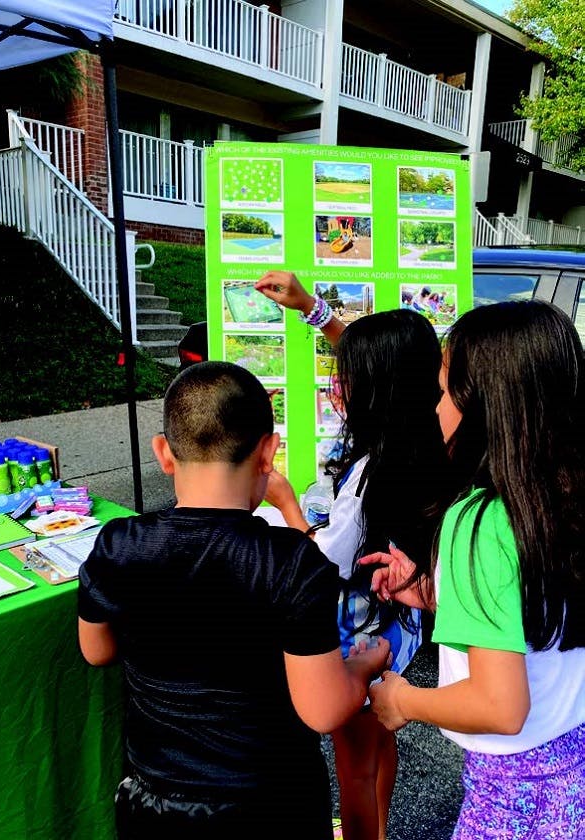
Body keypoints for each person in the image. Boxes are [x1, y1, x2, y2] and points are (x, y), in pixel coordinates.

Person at [77, 361, 390, 840]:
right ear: (268, 453)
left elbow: (96, 650)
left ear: (164, 453)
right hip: (269, 805)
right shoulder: (291, 561)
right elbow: (324, 711)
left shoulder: (120, 544)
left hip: (155, 803)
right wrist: (364, 668)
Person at [361, 300, 585, 839]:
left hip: (516, 793)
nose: (435, 409)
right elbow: (539, 619)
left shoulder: (480, 521)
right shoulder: (563, 498)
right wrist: (444, 596)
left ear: (488, 406)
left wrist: (402, 701)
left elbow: (499, 704)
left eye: (443, 393)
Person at [254, 270, 454, 840]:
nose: (337, 387)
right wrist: (314, 310)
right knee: (380, 738)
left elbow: (323, 565)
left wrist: (288, 504)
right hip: (402, 625)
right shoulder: (435, 438)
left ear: (371, 392)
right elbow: (389, 365)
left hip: (360, 631)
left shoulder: (371, 473)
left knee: (353, 767)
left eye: (345, 380)